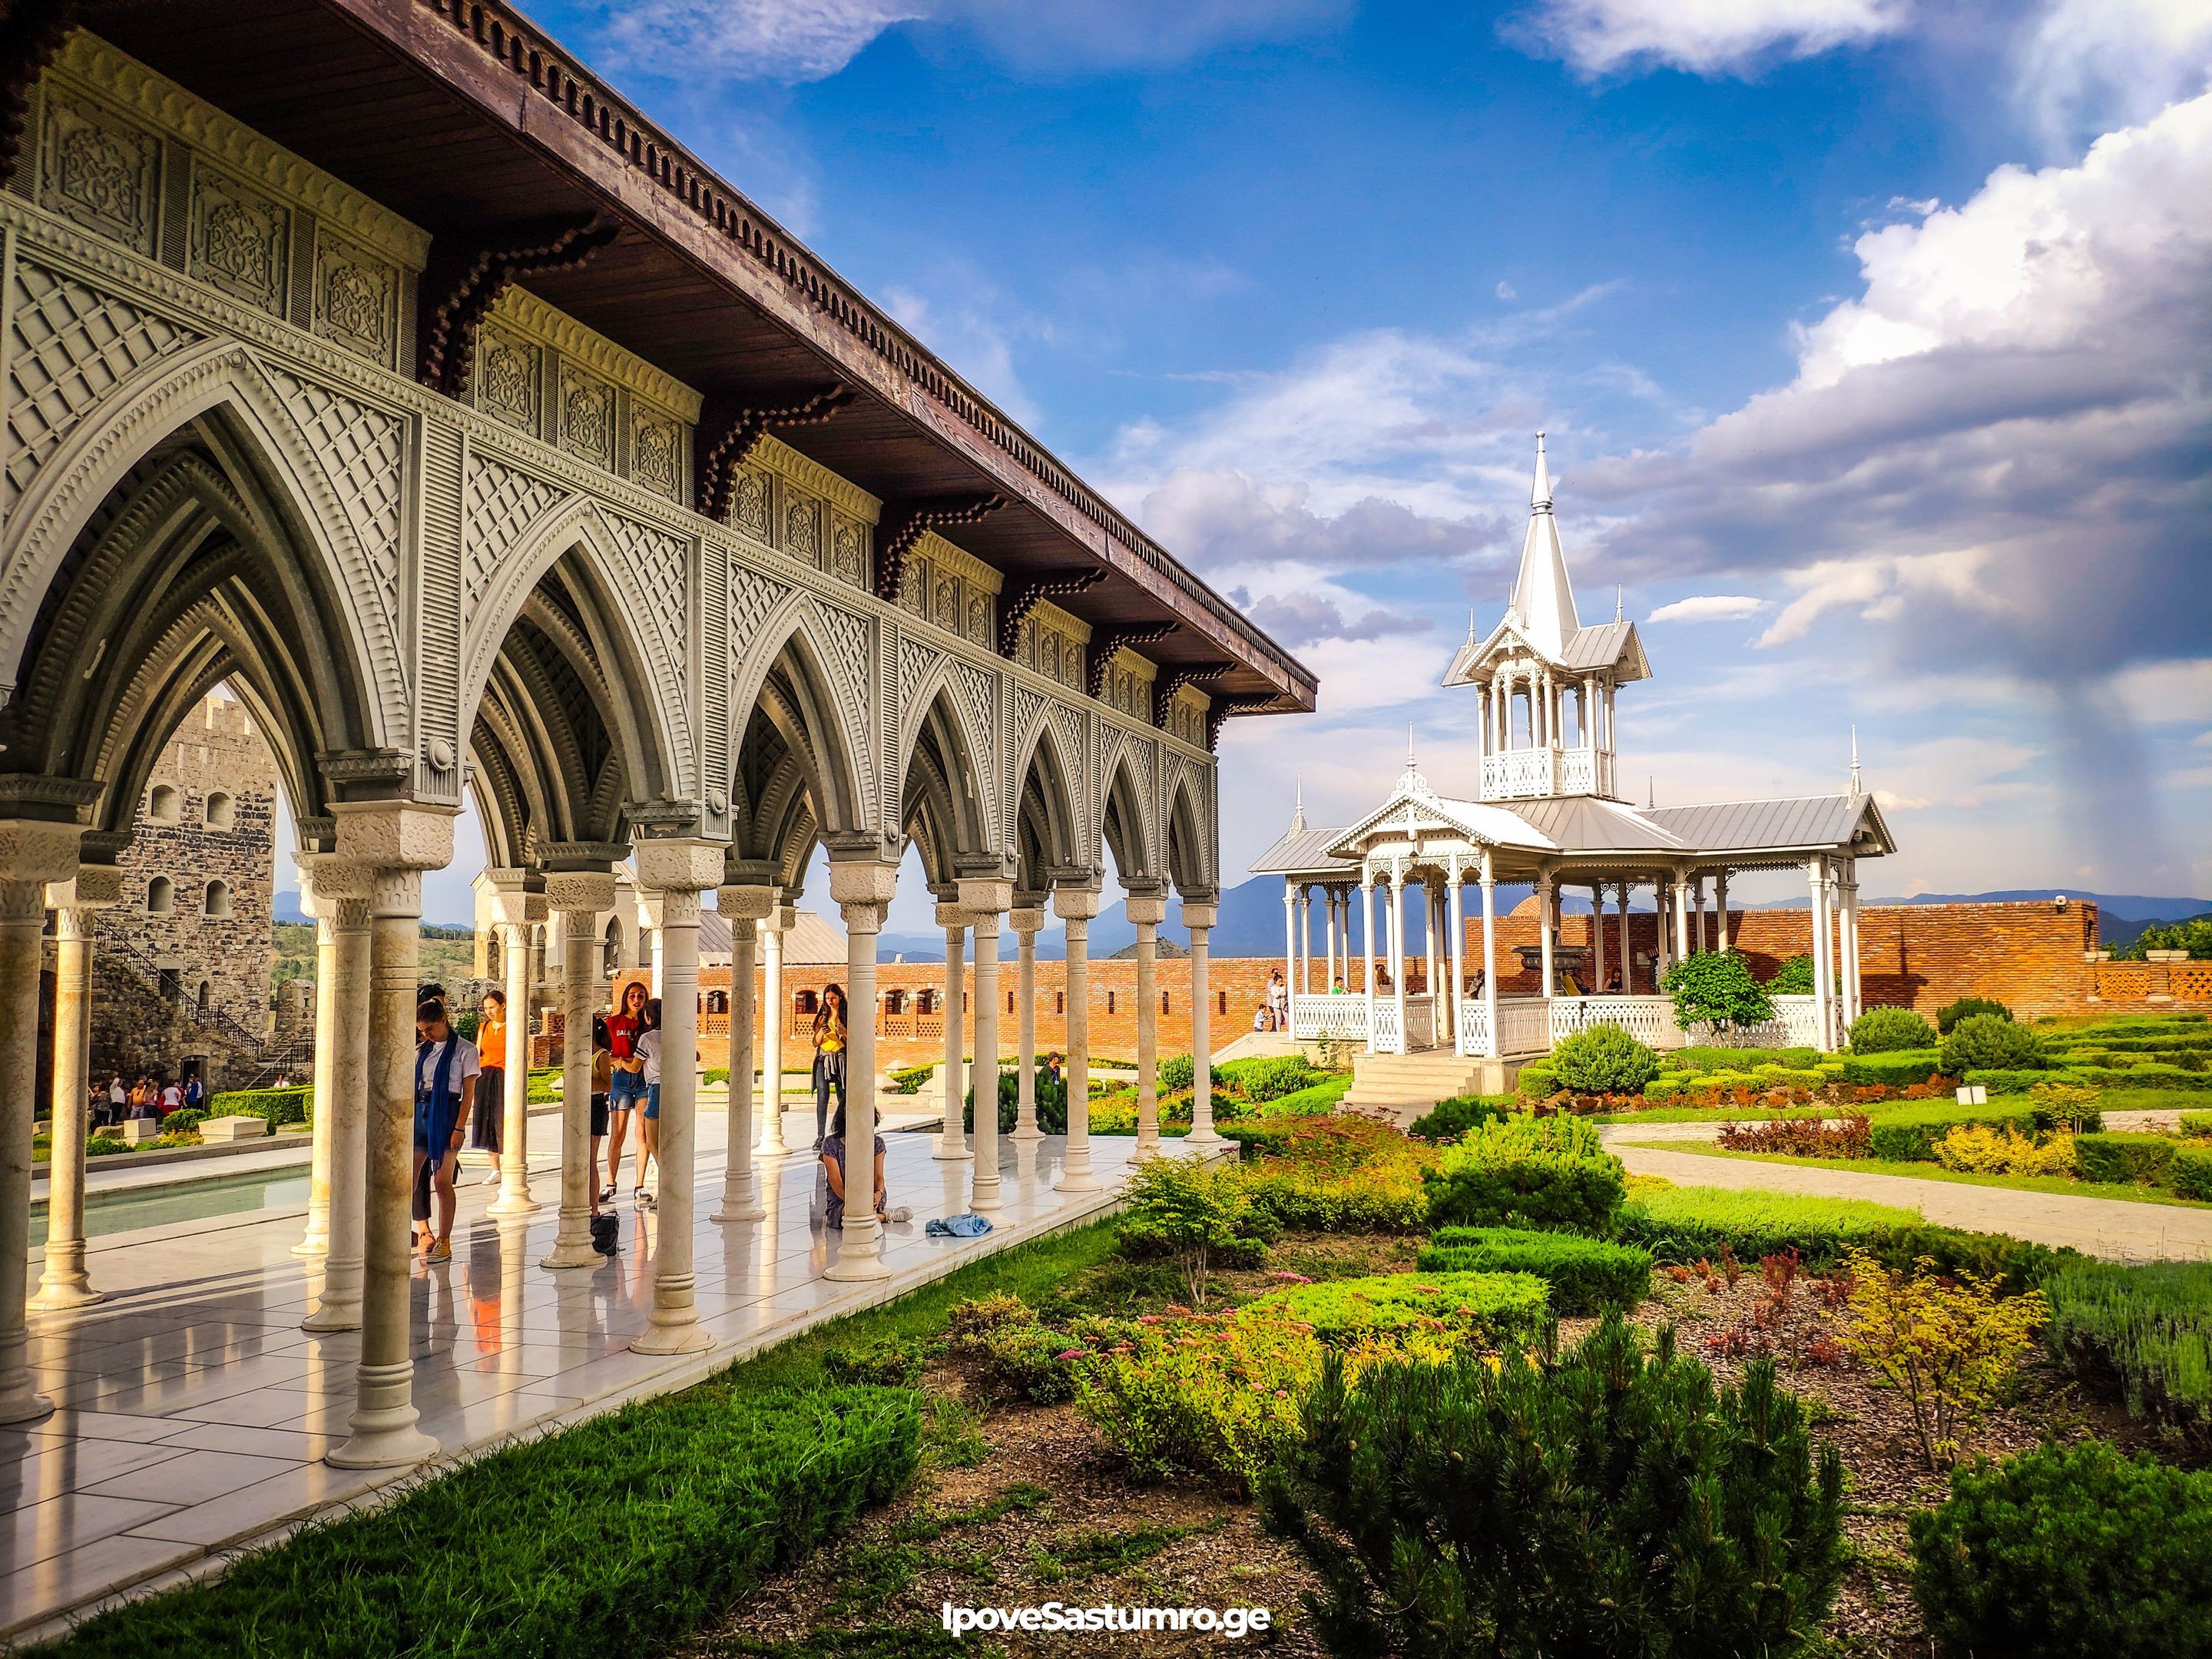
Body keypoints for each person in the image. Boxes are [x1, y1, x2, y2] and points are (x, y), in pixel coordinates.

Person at [412, 996, 479, 1262]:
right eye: (422, 1031)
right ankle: (410, 1231)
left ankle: (445, 1239)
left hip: (448, 1110)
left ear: (443, 1020)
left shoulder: (465, 1050)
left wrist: (460, 1127)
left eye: (430, 1029)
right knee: (411, 1177)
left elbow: (469, 1092)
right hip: (422, 1110)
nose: (427, 1035)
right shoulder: (421, 1051)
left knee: (441, 1181)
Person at [603, 979, 648, 1201]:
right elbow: (603, 1054)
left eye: (640, 996)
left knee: (642, 1133)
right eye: (632, 996)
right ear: (625, 999)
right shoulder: (613, 1023)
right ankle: (610, 1182)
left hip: (643, 1079)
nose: (636, 1000)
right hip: (621, 1079)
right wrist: (618, 1061)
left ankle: (640, 1184)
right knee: (617, 1133)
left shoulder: (648, 1026)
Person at [819, 1104, 886, 1232]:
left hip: (871, 1195)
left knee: (862, 1213)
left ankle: (874, 1215)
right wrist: (855, 1202)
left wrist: (878, 1194)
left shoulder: (877, 1143)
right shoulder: (831, 1143)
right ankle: (883, 1217)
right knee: (850, 1214)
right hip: (841, 1197)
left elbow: (879, 1176)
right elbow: (835, 1180)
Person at [472, 987, 507, 1186]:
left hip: (503, 1075)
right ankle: (495, 1169)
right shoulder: (484, 1027)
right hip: (485, 1075)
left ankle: (512, 1164)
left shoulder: (512, 1026)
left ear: (503, 1005)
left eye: (492, 1007)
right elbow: (478, 1052)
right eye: (486, 1008)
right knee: (486, 1121)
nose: (489, 1011)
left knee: (503, 1120)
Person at [632, 996, 664, 1207]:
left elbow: (635, 1067)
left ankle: (668, 1184)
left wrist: (618, 1062)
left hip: (657, 1088)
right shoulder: (679, 1035)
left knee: (653, 1142)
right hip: (677, 1090)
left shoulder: (647, 1038)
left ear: (649, 1017)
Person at [811, 983, 848, 1151]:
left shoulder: (846, 1016)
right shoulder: (822, 1017)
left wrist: (843, 1031)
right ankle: (820, 1136)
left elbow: (853, 1041)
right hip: (823, 1058)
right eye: (827, 998)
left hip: (840, 1056)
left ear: (839, 997)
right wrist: (822, 1031)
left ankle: (842, 1130)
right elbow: (815, 1042)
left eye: (833, 998)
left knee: (843, 1095)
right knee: (822, 1096)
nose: (830, 1001)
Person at [588, 1013, 612, 1213]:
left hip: (596, 1105)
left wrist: (585, 1080)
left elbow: (608, 1085)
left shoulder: (602, 1055)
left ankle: (594, 1207)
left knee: (590, 1160)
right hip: (580, 1106)